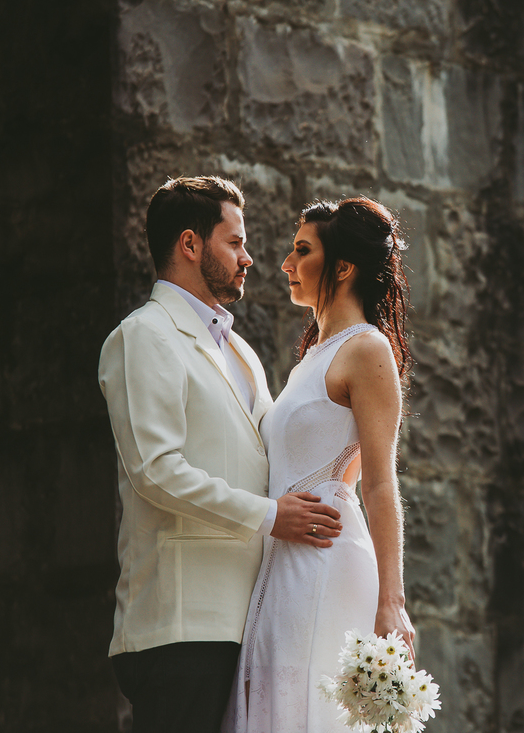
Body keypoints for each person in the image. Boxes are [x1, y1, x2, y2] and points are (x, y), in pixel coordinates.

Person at [99, 176, 346, 733]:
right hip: (182, 625)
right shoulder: (143, 335)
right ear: (190, 245)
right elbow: (154, 472)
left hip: (251, 621)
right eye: (234, 243)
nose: (249, 258)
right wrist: (271, 515)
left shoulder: (240, 350)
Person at [222, 196, 416, 733]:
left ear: (344, 267)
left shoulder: (367, 350)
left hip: (326, 561)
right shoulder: (313, 355)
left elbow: (378, 482)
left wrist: (390, 601)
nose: (285, 263)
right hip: (285, 559)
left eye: (302, 250)